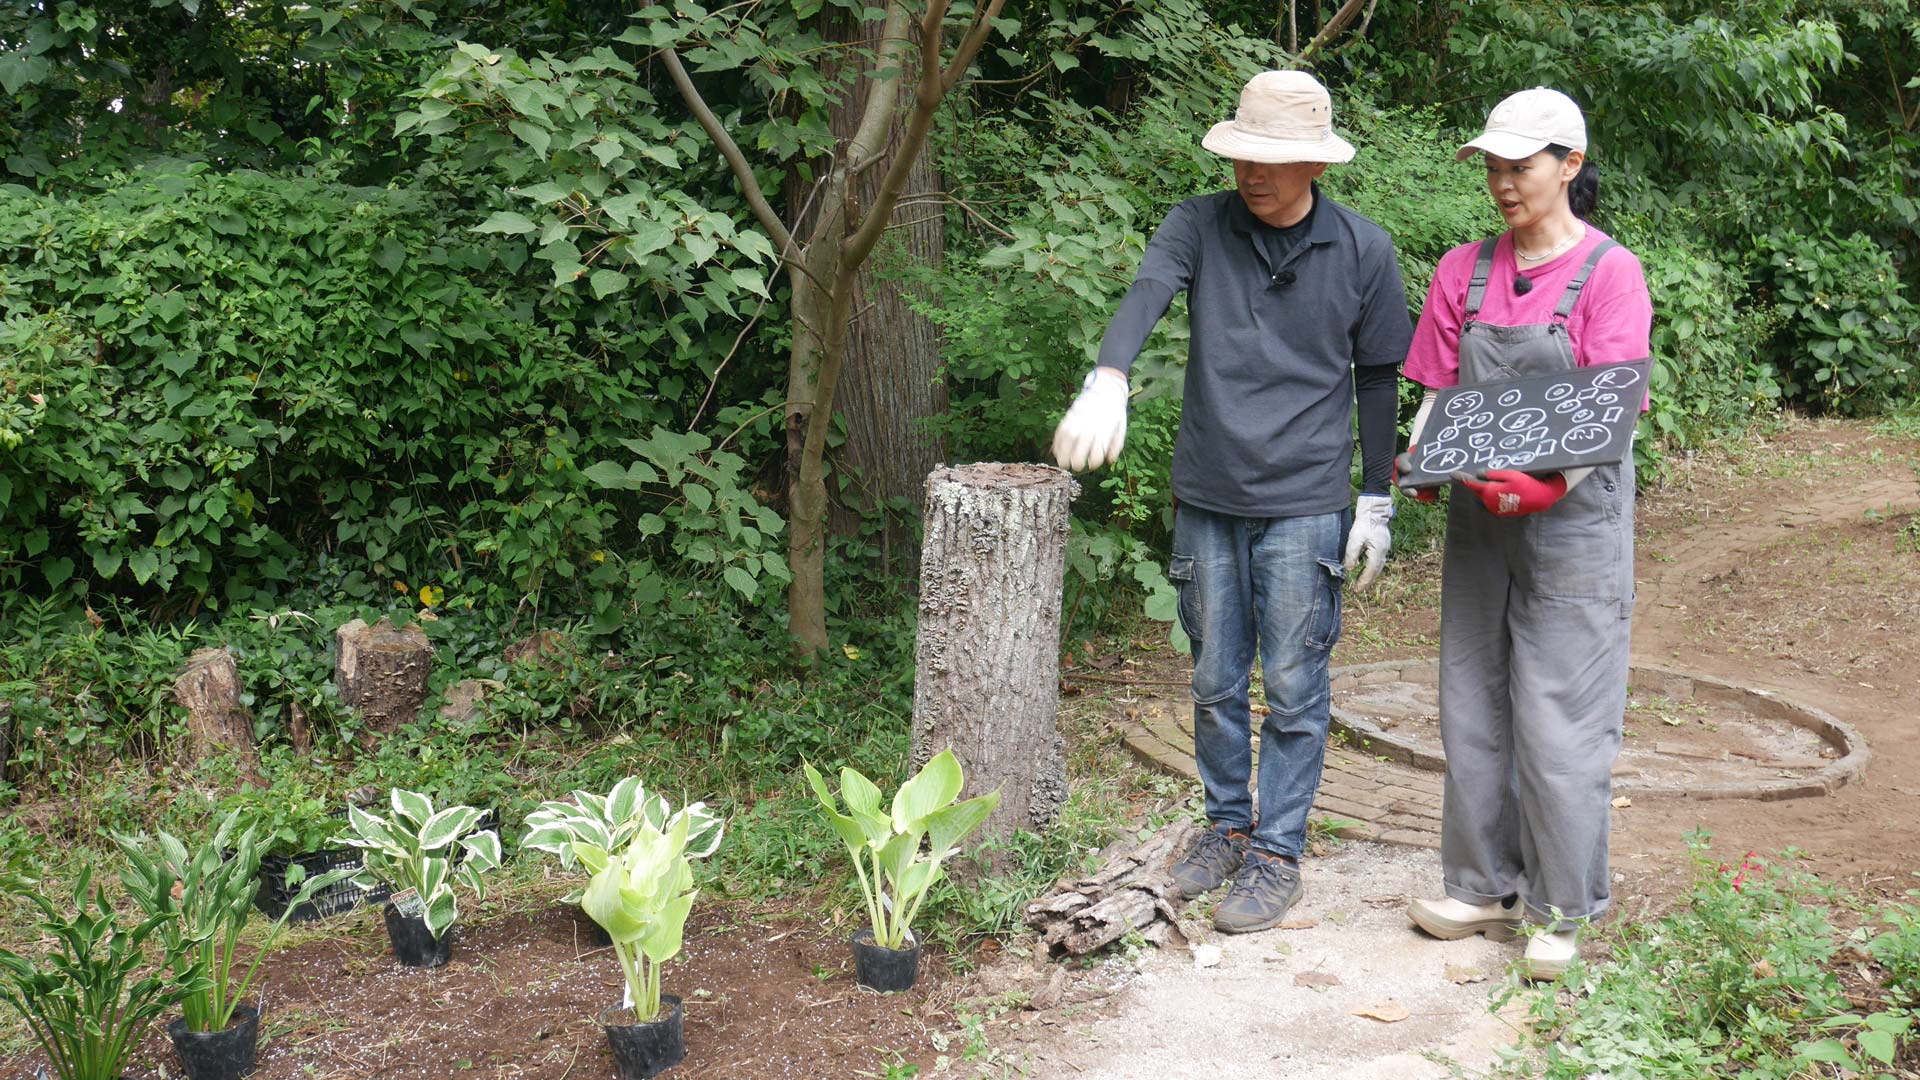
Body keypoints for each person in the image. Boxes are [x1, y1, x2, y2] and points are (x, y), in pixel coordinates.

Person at [1052, 70, 1412, 933]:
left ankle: (1278, 852)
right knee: (1215, 678)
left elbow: (1376, 379)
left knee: (1292, 683)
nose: (1254, 172)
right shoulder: (1198, 225)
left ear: (1314, 165)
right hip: (1209, 491)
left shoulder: (1364, 250)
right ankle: (1224, 827)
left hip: (1306, 498)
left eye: (1274, 159)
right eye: (1244, 154)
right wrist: (1109, 376)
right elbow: (1147, 291)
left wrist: (1375, 498)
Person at [1396, 87, 1653, 979]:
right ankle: (1479, 884)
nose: (1504, 183)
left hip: (1573, 522)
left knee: (1561, 716)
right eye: (1495, 167)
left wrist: (1548, 486)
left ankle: (1560, 908)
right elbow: (1435, 390)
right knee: (1471, 698)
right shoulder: (1461, 269)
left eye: (1522, 165)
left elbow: (1614, 406)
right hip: (1479, 518)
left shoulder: (1609, 272)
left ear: (1569, 166)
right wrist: (1423, 465)